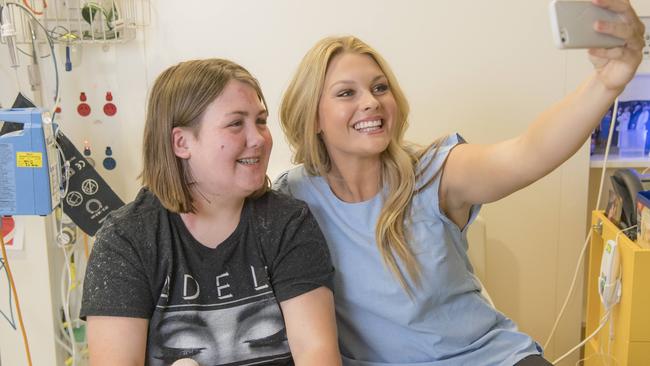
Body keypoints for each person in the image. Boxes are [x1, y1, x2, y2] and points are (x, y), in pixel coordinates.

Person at [274, 1, 645, 365]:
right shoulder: (293, 198)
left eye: (380, 87)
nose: (371, 102)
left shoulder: (436, 171)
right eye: (346, 93)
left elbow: (528, 153)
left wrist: (607, 81)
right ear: (314, 117)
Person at [80, 59, 341, 366]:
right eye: (235, 124)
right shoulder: (126, 240)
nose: (258, 138)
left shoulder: (287, 223)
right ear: (181, 142)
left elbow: (317, 354)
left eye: (260, 120)